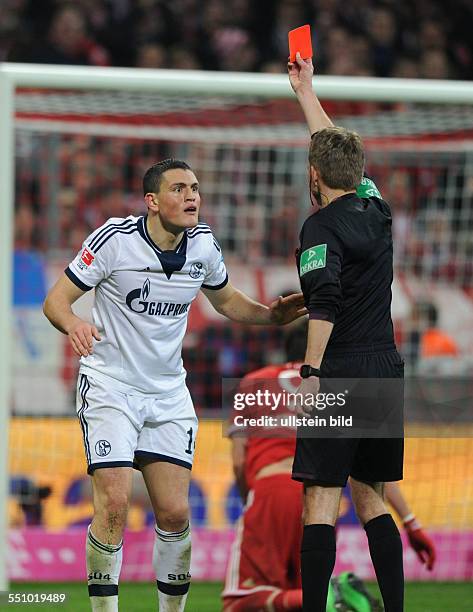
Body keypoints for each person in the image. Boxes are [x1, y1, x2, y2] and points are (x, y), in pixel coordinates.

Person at [43, 158, 306, 612]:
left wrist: (270, 316)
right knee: (115, 504)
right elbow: (56, 301)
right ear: (152, 201)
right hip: (110, 385)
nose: (192, 197)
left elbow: (225, 300)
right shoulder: (114, 240)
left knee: (175, 513)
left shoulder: (203, 245)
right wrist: (74, 325)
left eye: (196, 189)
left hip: (167, 394)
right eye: (180, 188)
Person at [287, 54, 405, 611]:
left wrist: (311, 371)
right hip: (386, 366)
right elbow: (333, 152)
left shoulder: (319, 226)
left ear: (313, 176)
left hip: (341, 369)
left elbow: (325, 302)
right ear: (358, 175)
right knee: (372, 494)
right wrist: (306, 92)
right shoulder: (376, 206)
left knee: (322, 496)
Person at [222, 324, 435, 612]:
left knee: (240, 602)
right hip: (323, 497)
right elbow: (369, 474)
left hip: (270, 489)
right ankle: (336, 594)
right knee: (310, 586)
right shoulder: (338, 385)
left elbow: (238, 461)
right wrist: (410, 521)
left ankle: (337, 594)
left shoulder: (253, 383)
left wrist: (252, 497)